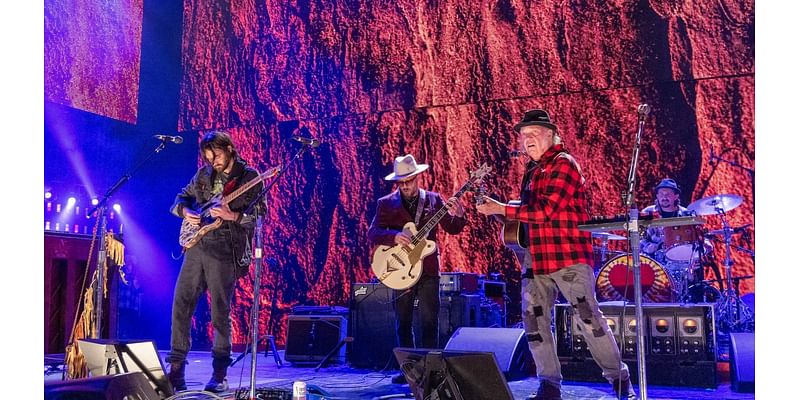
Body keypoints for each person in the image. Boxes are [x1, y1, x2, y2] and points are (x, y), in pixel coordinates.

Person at [476, 109, 636, 400]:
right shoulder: (532, 171)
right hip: (536, 260)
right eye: (524, 136)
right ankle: (549, 385)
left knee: (590, 321)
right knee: (534, 323)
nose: (527, 141)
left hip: (568, 258)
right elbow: (527, 220)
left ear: (550, 134)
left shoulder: (565, 165)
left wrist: (501, 207)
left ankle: (620, 380)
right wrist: (494, 212)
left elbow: (547, 211)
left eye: (533, 134)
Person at [166, 131, 262, 393]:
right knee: (181, 304)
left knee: (220, 311)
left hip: (226, 249)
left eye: (216, 155)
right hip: (197, 245)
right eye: (208, 157)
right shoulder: (203, 176)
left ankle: (219, 373)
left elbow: (259, 217)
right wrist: (186, 211)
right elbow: (179, 199)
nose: (213, 161)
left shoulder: (249, 177)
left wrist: (232, 215)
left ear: (230, 149)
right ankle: (176, 371)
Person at [367, 154, 467, 383]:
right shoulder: (385, 203)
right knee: (403, 321)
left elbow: (452, 228)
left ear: (418, 177)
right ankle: (408, 370)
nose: (405, 186)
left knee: (430, 321)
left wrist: (460, 215)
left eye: (409, 180)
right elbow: (372, 233)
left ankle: (430, 370)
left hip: (428, 269)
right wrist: (394, 236)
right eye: (401, 182)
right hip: (401, 269)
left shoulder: (433, 200)